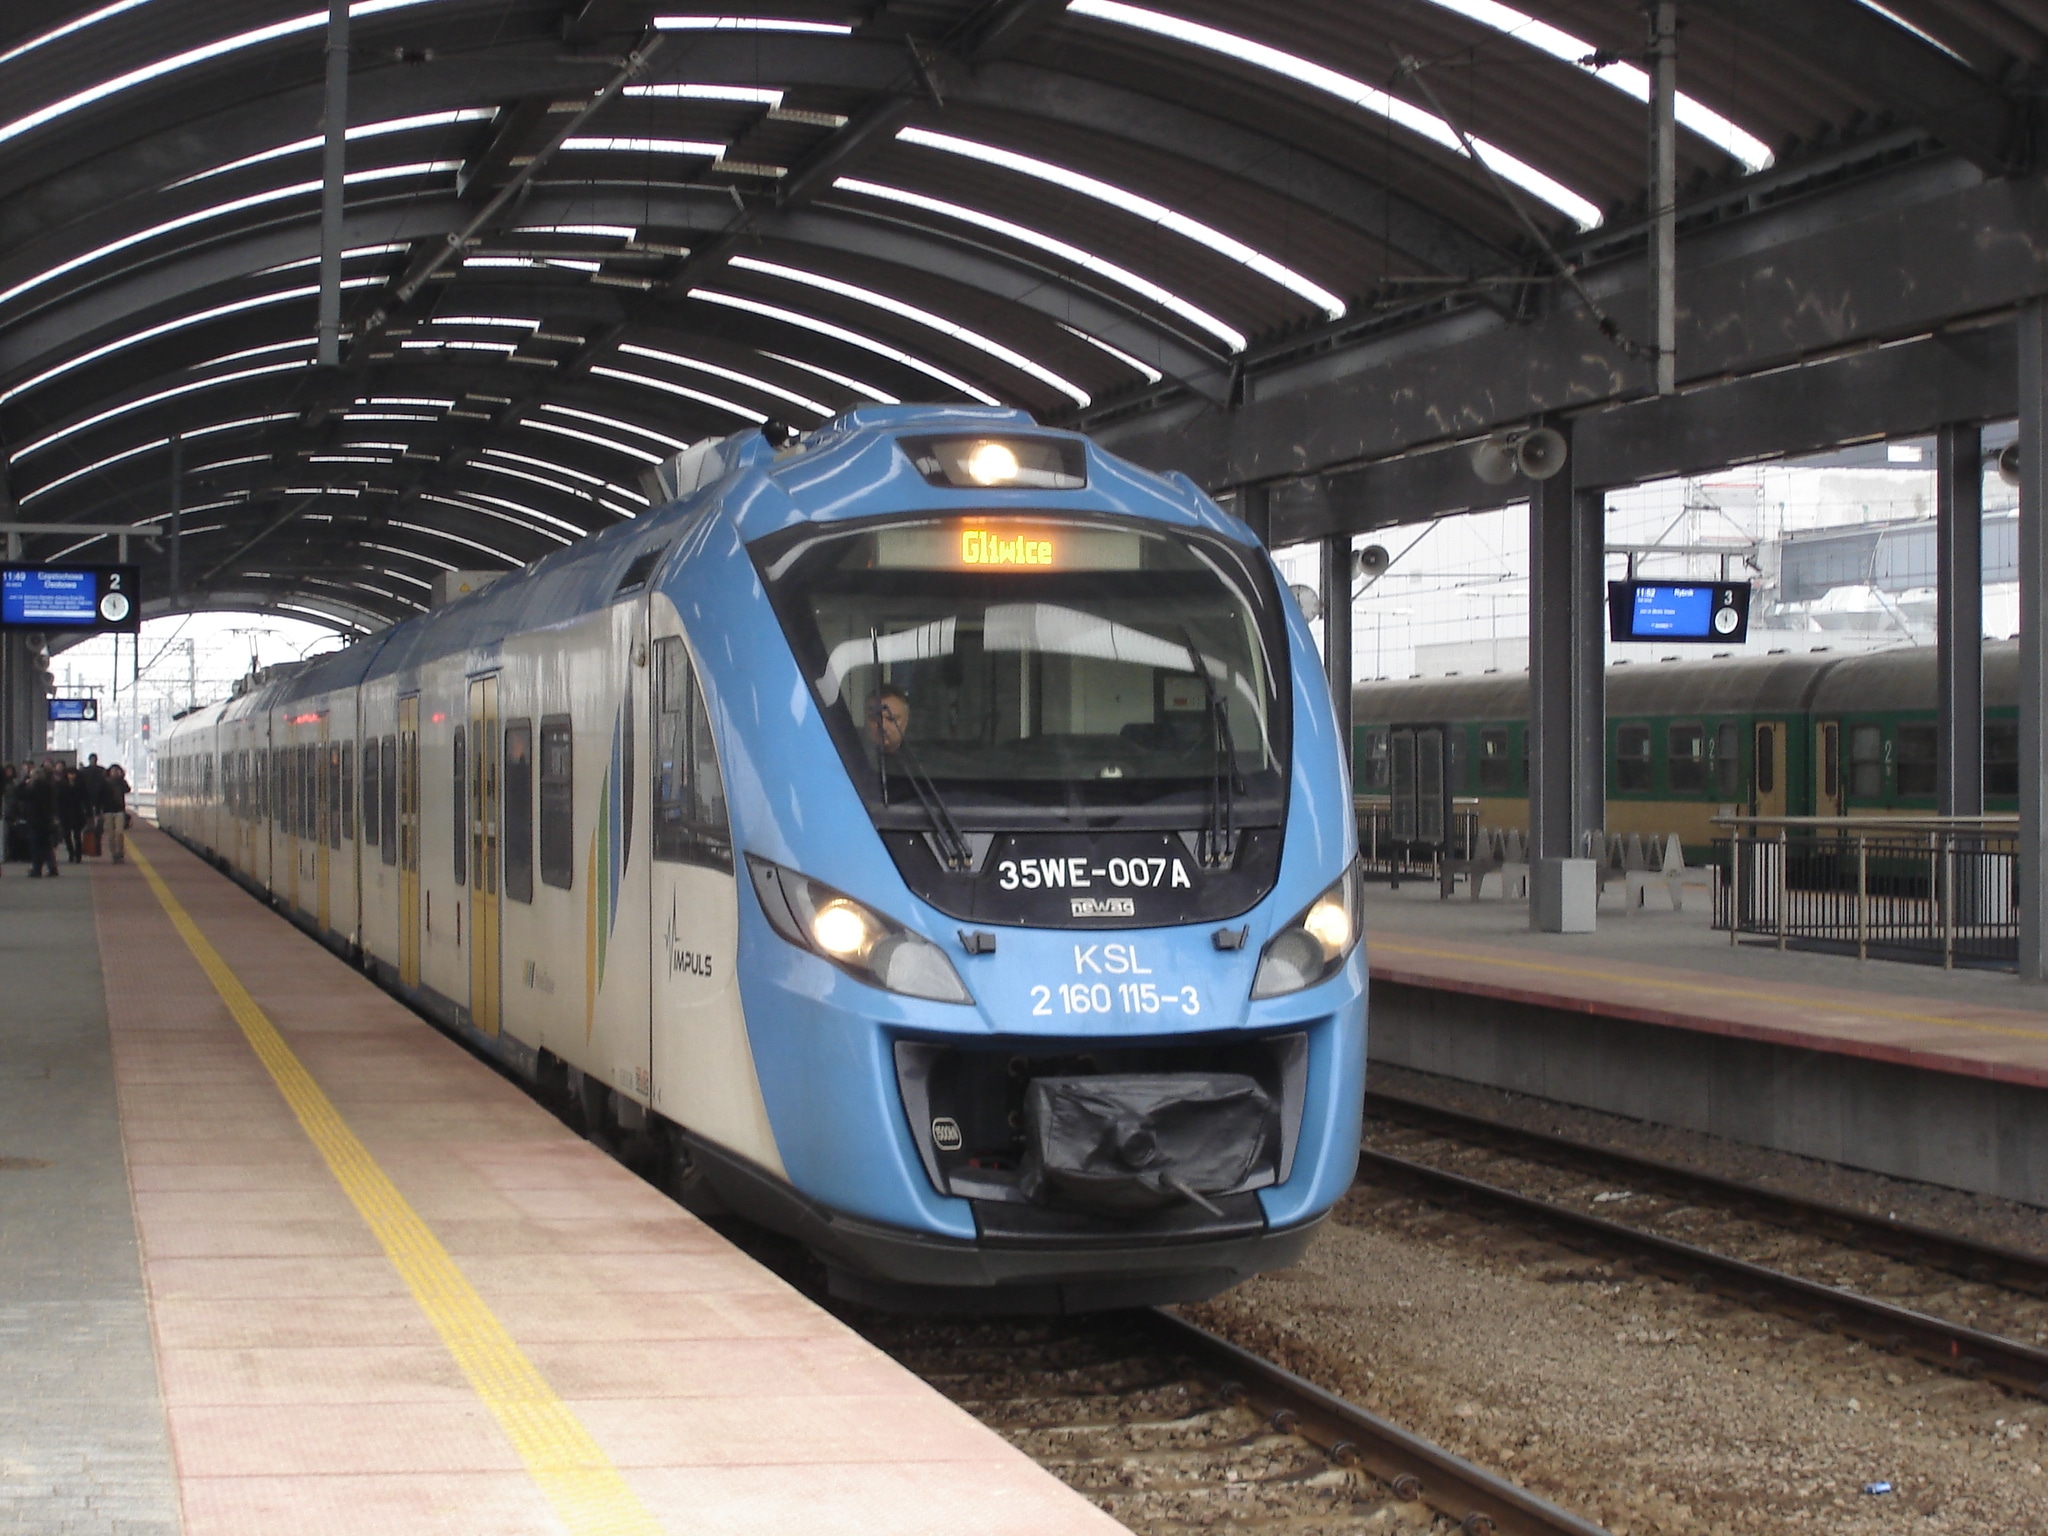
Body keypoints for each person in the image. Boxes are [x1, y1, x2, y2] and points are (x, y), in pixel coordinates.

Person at [22, 765, 58, 878]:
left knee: (36, 846)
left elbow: (19, 795)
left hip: (35, 819)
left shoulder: (32, 788)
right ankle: (52, 868)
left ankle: (36, 869)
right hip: (46, 819)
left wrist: (24, 783)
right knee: (46, 845)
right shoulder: (48, 787)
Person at [865, 686, 910, 756]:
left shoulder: (920, 758)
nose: (883, 726)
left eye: (891, 719)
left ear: (906, 721)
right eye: (875, 719)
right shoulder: (850, 755)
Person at [57, 766, 86, 863]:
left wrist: (89, 813)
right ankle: (71, 853)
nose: (71, 776)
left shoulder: (81, 785)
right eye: (69, 774)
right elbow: (58, 799)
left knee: (77, 835)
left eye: (73, 774)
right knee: (66, 835)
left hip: (77, 812)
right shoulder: (61, 785)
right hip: (64, 812)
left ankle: (78, 854)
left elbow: (86, 799)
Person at [101, 763, 129, 863]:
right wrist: (98, 811)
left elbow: (127, 789)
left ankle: (120, 852)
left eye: (117, 771)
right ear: (109, 772)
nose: (115, 773)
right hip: (107, 810)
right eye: (113, 771)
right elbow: (99, 796)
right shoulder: (104, 783)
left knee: (119, 832)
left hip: (119, 810)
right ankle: (114, 854)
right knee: (110, 835)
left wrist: (121, 780)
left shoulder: (122, 782)